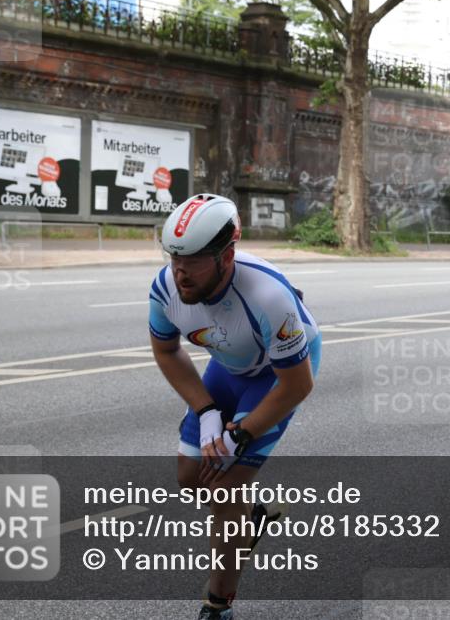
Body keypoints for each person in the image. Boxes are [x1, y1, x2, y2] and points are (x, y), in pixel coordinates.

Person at [149, 193, 321, 620]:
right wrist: (207, 411)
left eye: (192, 260)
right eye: (174, 258)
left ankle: (218, 603)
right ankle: (252, 518)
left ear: (227, 256)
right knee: (191, 478)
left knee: (224, 484)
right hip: (231, 364)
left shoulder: (268, 296)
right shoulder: (165, 288)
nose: (180, 272)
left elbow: (298, 384)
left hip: (279, 374)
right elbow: (167, 352)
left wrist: (241, 433)